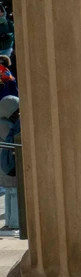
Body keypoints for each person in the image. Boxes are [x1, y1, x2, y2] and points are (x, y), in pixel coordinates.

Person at [0, 97, 18, 232]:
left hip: (3, 166)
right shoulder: (6, 125)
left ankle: (9, 221)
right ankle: (15, 222)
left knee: (9, 193)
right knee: (15, 194)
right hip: (9, 164)